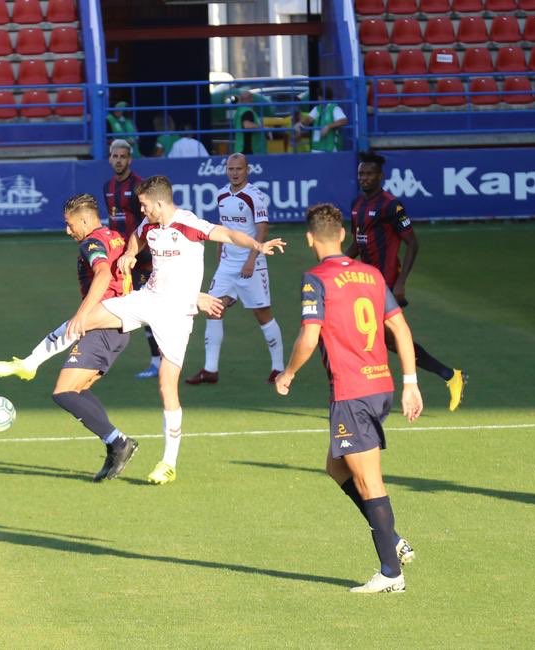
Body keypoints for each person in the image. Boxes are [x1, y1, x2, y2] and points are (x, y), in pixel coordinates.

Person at [0, 176, 284, 485]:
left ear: (159, 202)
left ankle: (168, 463)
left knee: (166, 387)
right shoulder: (149, 226)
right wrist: (131, 253)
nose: (141, 209)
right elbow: (135, 238)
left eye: (144, 204)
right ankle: (30, 363)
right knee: (86, 319)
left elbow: (225, 233)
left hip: (176, 313)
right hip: (146, 299)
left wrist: (257, 245)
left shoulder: (188, 224)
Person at [275, 203, 423, 594]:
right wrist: (410, 381)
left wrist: (287, 374)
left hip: (352, 392)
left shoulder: (316, 278)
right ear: (342, 234)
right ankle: (390, 539)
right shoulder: (371, 274)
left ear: (309, 239)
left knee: (368, 479)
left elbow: (309, 336)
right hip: (381, 386)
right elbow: (401, 328)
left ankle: (391, 573)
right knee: (336, 466)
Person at [0, 194, 140, 481]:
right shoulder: (114, 236)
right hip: (118, 328)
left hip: (103, 327)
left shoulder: (91, 242)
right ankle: (115, 444)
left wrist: (82, 314)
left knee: (63, 392)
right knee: (77, 391)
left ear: (85, 219)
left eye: (69, 223)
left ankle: (118, 442)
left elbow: (101, 274)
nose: (67, 231)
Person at [347, 151, 466, 411]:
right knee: (388, 341)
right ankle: (449, 375)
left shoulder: (392, 205)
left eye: (368, 174)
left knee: (375, 339)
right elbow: (359, 241)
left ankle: (372, 397)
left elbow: (412, 243)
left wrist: (401, 283)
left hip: (386, 283)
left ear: (380, 176)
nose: (364, 178)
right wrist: (335, 263)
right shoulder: (357, 205)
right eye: (360, 174)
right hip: (365, 284)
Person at [186, 153, 284, 385]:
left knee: (262, 314)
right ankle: (210, 370)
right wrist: (220, 249)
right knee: (213, 309)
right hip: (227, 265)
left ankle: (279, 367)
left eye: (239, 169)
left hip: (252, 263)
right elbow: (224, 227)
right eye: (231, 169)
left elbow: (262, 230)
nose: (234, 173)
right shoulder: (221, 195)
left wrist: (252, 259)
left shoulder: (254, 196)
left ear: (247, 170)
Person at [103, 139, 163, 379]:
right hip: (120, 258)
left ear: (130, 159)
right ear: (110, 159)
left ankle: (159, 361)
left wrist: (141, 251)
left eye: (123, 156)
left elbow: (150, 221)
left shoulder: (140, 187)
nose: (118, 160)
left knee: (149, 309)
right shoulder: (107, 186)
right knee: (116, 303)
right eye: (115, 156)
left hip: (142, 258)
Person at [294, 87, 348, 153]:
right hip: (316, 147)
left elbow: (344, 120)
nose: (318, 98)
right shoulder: (317, 108)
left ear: (321, 97)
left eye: (319, 96)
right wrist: (300, 124)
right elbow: (308, 119)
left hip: (330, 148)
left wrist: (328, 127)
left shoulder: (334, 108)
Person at [232, 90, 267, 155]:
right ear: (250, 99)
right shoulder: (247, 111)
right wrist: (263, 128)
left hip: (240, 147)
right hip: (250, 149)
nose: (252, 100)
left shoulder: (239, 111)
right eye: (251, 98)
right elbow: (247, 125)